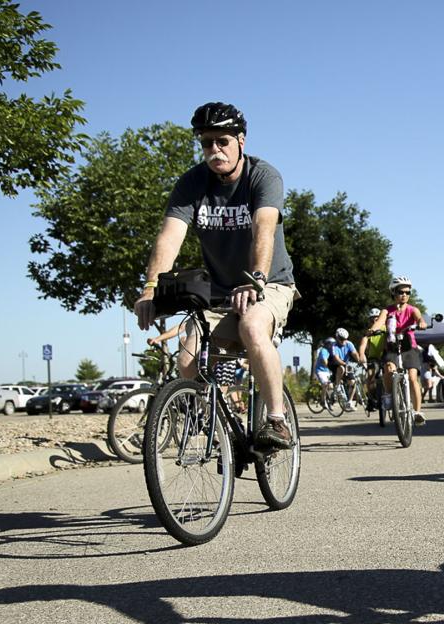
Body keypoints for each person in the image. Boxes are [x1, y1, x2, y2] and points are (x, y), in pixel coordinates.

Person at [135, 101, 299, 449]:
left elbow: (263, 228)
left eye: (222, 141)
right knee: (187, 359)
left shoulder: (263, 176)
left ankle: (276, 420)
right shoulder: (192, 183)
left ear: (241, 140)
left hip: (269, 282)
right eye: (207, 142)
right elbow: (169, 238)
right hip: (221, 292)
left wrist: (255, 278)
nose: (214, 150)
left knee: (252, 326)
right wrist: (150, 288)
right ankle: (219, 425)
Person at [368, 276, 428, 425]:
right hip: (393, 346)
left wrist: (421, 323)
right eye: (401, 292)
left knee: (413, 378)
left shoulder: (413, 309)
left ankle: (417, 412)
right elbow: (380, 322)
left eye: (408, 292)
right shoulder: (387, 310)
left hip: (409, 346)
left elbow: (419, 318)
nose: (404, 295)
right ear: (393, 292)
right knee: (389, 368)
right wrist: (373, 329)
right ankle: (390, 395)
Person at [358, 308, 385, 411]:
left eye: (376, 318)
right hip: (373, 357)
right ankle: (371, 399)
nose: (374, 321)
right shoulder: (368, 332)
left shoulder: (386, 328)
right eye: (372, 319)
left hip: (386, 355)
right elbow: (363, 344)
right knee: (370, 375)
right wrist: (361, 354)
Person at [330, 327, 362, 410]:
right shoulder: (334, 346)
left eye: (345, 339)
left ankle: (350, 402)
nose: (343, 341)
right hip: (335, 365)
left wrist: (359, 360)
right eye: (341, 339)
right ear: (337, 338)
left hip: (346, 365)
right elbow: (336, 359)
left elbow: (354, 353)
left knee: (353, 382)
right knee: (341, 368)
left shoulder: (349, 344)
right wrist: (345, 364)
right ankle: (337, 387)